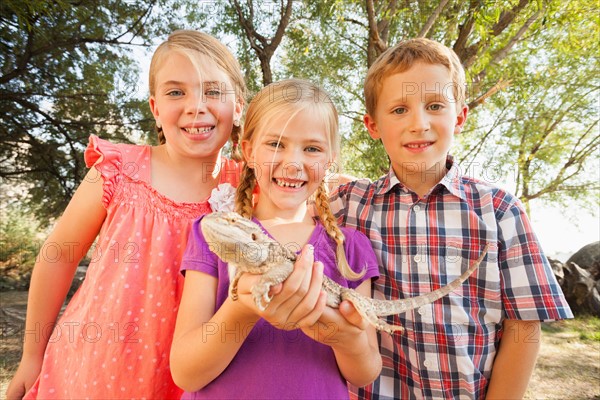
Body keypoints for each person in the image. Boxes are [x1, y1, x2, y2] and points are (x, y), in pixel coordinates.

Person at [6, 30, 247, 400]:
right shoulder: (119, 170)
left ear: (239, 105)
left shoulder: (248, 188)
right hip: (95, 370)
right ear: (155, 107)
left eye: (213, 91)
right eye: (175, 92)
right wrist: (31, 356)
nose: (196, 106)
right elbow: (59, 257)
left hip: (196, 378)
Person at [329, 38, 573, 400]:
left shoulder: (501, 210)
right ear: (372, 125)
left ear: (459, 116)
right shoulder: (347, 207)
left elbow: (524, 329)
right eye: (398, 110)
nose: (419, 123)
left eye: (435, 106)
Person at [170, 78, 383, 399]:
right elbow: (186, 372)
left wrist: (346, 339)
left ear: (330, 160)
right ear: (248, 150)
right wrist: (242, 308)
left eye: (311, 148)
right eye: (276, 144)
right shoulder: (214, 232)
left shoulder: (349, 249)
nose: (293, 163)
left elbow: (365, 373)